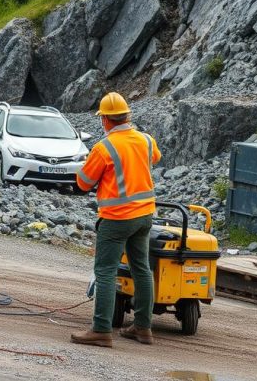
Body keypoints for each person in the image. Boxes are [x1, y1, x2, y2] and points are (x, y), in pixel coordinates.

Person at [71, 92, 161, 348]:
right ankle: (143, 328)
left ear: (106, 120)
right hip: (144, 215)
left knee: (106, 271)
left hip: (117, 218)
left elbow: (83, 182)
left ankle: (101, 329)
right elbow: (155, 157)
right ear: (127, 116)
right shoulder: (145, 140)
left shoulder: (104, 147)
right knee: (142, 269)